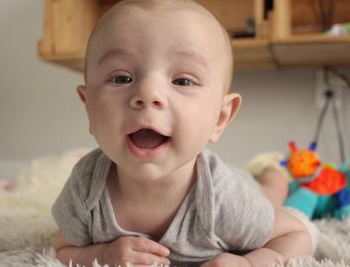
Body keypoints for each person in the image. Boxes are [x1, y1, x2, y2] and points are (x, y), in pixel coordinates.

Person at [52, 0, 312, 266]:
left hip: (242, 185)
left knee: (268, 194)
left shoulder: (228, 201)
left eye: (182, 81)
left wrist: (249, 263)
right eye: (121, 78)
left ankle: (273, 175)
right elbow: (61, 248)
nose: (147, 94)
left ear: (220, 118)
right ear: (89, 107)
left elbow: (295, 234)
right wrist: (102, 255)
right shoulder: (85, 190)